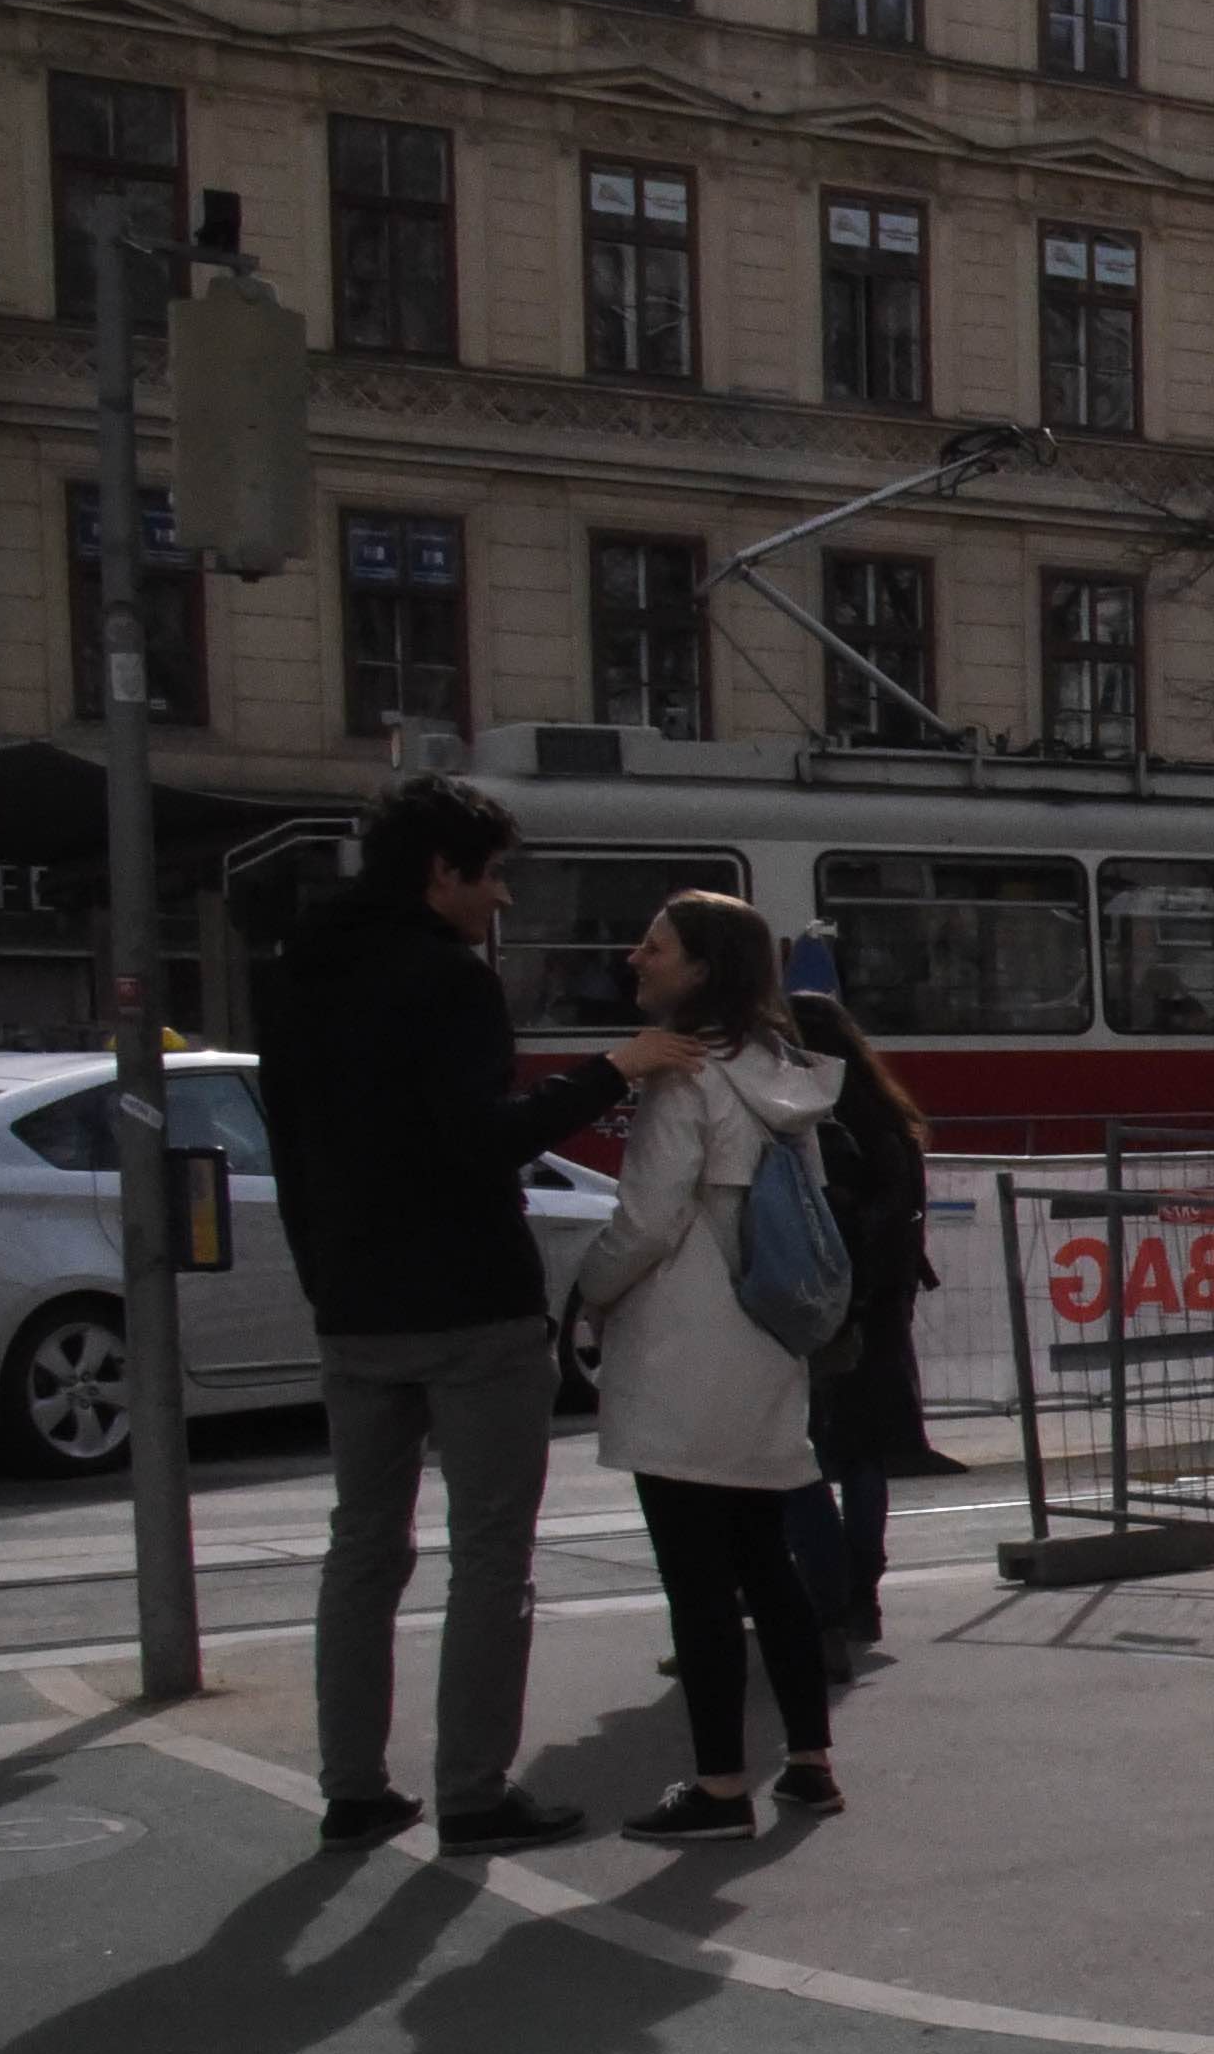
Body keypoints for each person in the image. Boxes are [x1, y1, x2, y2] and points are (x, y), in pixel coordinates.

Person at [253, 773, 701, 1852]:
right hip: (468, 1301)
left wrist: (328, 1283)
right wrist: (611, 1070)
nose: (500, 897)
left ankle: (354, 1788)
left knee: (363, 1550)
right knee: (491, 1555)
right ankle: (472, 1793)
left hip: (355, 1307)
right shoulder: (449, 980)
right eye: (491, 875)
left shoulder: (297, 973)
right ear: (441, 871)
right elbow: (483, 1138)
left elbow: (293, 1150)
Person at [574, 892, 846, 1840]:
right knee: (767, 1562)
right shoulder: (781, 1072)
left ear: (700, 968)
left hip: (682, 1350)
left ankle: (721, 1785)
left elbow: (645, 1220)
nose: (634, 957)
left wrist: (589, 1291)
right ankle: (808, 1763)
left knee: (696, 1581)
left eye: (654, 946)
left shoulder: (682, 1075)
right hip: (764, 1342)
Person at [777, 988, 946, 1660]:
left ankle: (824, 1592)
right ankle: (863, 1594)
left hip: (819, 1304)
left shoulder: (803, 1115)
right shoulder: (886, 1114)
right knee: (864, 1455)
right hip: (882, 1303)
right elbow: (902, 1213)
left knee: (803, 1454)